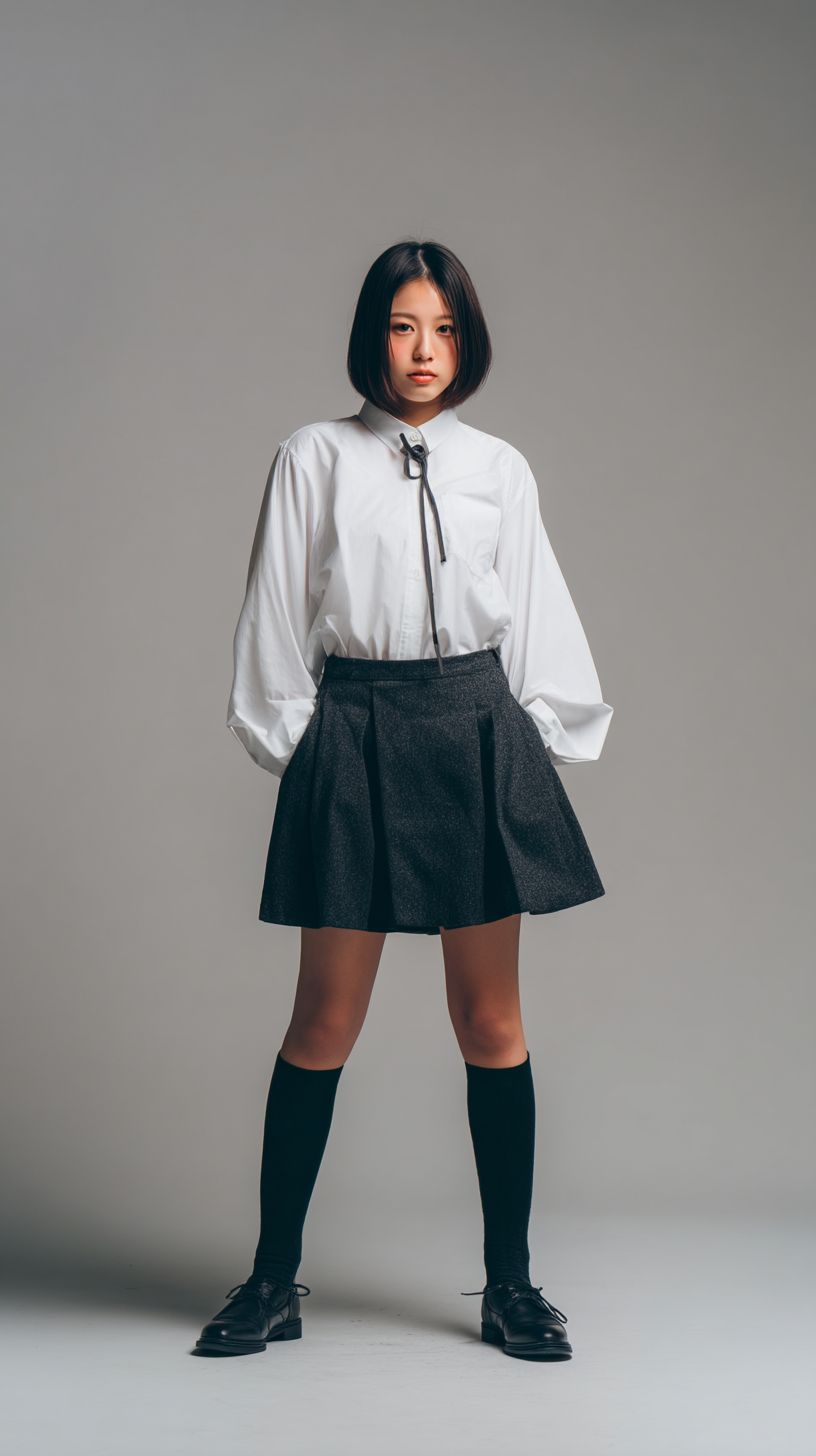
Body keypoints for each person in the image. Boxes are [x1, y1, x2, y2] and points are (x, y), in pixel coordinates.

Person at [194, 239, 613, 1362]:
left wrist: (531, 743)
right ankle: (271, 1281)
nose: (424, 350)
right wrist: (313, 752)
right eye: (401, 326)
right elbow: (275, 615)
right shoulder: (313, 457)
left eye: (444, 328)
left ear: (466, 341)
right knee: (323, 1021)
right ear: (370, 336)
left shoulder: (500, 469)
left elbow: (534, 610)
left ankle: (511, 1287)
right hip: (358, 726)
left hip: (476, 731)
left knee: (491, 1021)